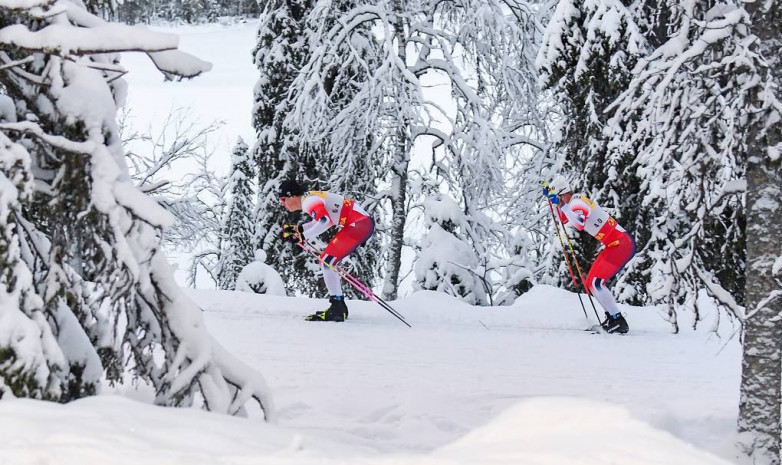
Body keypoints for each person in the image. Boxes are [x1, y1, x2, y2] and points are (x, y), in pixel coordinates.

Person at [544, 175, 635, 334]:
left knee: (596, 282)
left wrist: (561, 206)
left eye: (558, 198)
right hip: (612, 245)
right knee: (590, 282)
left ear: (563, 194)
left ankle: (618, 319)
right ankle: (611, 317)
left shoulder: (579, 201)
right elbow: (566, 220)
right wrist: (555, 205)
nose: (560, 201)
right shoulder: (571, 205)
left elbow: (578, 224)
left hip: (621, 244)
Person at [278, 179, 375, 322]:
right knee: (327, 261)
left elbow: (325, 221)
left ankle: (337, 308)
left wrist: (302, 236)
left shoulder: (308, 201)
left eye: (283, 199)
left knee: (327, 261)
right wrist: (299, 230)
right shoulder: (309, 199)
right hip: (359, 223)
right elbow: (319, 221)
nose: (282, 203)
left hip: (358, 225)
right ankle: (338, 306)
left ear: (292, 196)